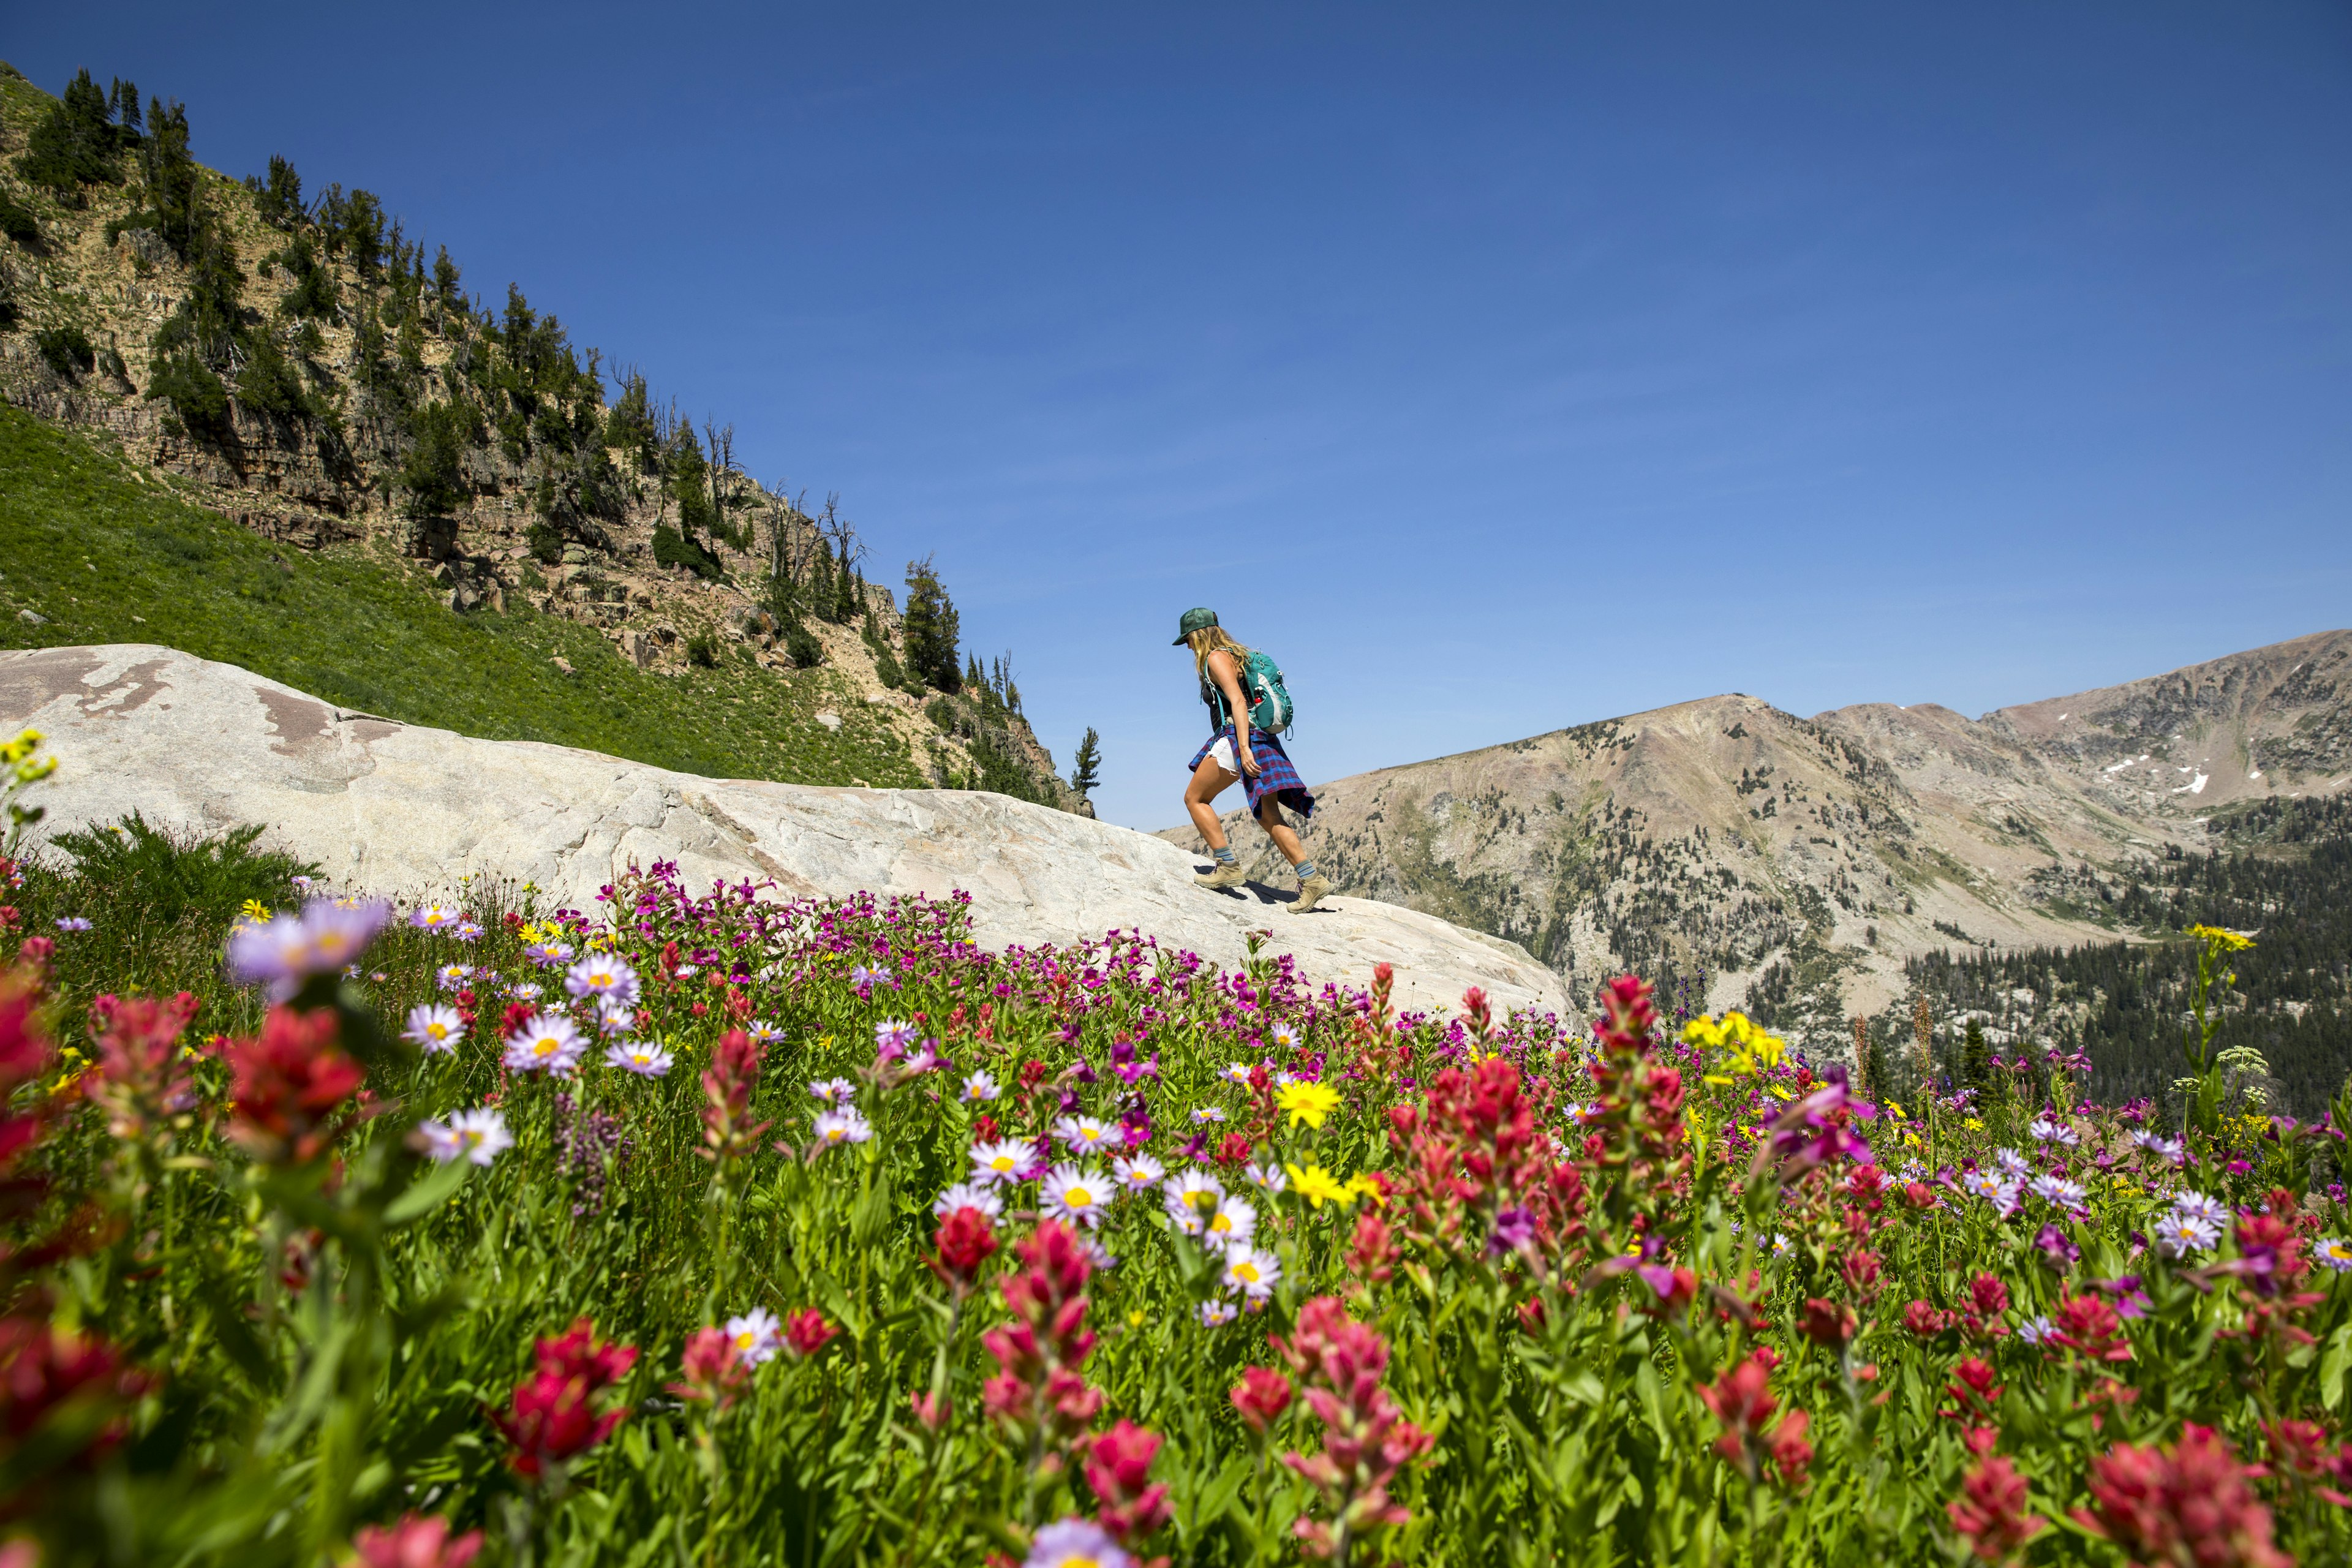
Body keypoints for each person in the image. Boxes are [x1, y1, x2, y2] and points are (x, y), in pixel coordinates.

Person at [1173, 607, 1332, 914]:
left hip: (1238, 739)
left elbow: (1237, 701)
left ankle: (1227, 865)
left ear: (1197, 634)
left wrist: (1243, 748)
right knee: (1268, 815)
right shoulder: (1237, 656)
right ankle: (1311, 879)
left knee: (1195, 798)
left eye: (1188, 640)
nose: (1189, 647)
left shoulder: (1215, 658)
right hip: (1261, 739)